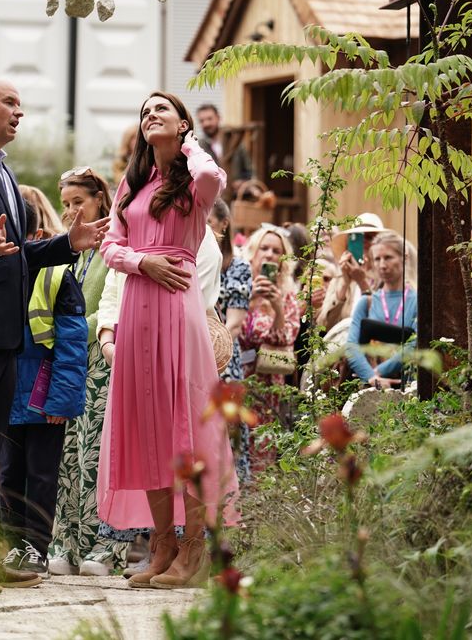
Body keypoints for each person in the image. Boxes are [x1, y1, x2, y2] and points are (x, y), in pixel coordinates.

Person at [0, 77, 108, 593]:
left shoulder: (2, 168)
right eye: (10, 103)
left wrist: (64, 243)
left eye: (20, 105)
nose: (19, 112)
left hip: (4, 335)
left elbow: (16, 254)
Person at [98, 90, 238, 590]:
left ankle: (195, 546)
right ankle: (163, 543)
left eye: (161, 109)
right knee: (147, 424)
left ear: (182, 124)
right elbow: (110, 246)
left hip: (178, 306)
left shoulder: (193, 182)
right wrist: (142, 261)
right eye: (144, 111)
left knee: (186, 425)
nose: (149, 115)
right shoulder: (131, 183)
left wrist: (188, 144)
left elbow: (211, 178)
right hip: (138, 300)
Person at [0, 200, 88, 580]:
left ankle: (36, 547)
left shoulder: (57, 277)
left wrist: (62, 400)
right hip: (6, 396)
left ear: (35, 236)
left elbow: (72, 345)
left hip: (43, 396)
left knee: (41, 475)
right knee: (7, 475)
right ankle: (14, 546)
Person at [48, 166, 125, 577]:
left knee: (99, 451)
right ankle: (67, 542)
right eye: (66, 205)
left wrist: (72, 330)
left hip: (101, 357)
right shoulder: (73, 248)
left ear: (100, 199)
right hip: (70, 361)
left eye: (79, 202)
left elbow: (112, 305)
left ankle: (106, 547)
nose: (72, 211)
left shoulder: (115, 242)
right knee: (69, 454)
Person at [239, 223, 301, 473]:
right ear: (253, 252)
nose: (269, 255)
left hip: (270, 381)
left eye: (276, 251)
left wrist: (276, 309)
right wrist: (251, 300)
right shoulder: (240, 286)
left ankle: (259, 504)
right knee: (237, 441)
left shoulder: (287, 294)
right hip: (240, 377)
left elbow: (288, 336)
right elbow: (234, 333)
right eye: (264, 248)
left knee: (264, 443)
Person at [207, 199, 252, 483]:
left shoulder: (238, 268)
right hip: (197, 349)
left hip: (224, 356)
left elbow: (235, 323)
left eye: (209, 222)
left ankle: (233, 489)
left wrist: (213, 348)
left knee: (228, 424)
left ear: (224, 224)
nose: (205, 228)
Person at [345, 231, 418, 389]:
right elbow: (351, 346)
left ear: (404, 258)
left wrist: (379, 371)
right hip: (371, 386)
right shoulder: (367, 302)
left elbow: (416, 344)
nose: (382, 265)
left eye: (388, 257)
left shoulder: (418, 301)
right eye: (377, 259)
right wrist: (371, 377)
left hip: (407, 384)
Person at [319, 213, 387, 334]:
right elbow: (324, 326)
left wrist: (362, 282)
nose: (364, 243)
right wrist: (345, 283)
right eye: (358, 237)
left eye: (370, 237)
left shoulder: (386, 280)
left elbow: (382, 320)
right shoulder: (338, 281)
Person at [196, 103, 253, 184]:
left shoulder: (235, 141)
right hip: (212, 194)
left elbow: (248, 170)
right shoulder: (199, 147)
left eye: (209, 119)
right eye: (202, 121)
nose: (206, 123)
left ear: (218, 118)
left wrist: (242, 182)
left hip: (235, 194)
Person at [112, 124, 139, 190]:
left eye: (138, 137)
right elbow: (119, 181)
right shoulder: (119, 161)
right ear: (127, 140)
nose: (137, 140)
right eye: (133, 138)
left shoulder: (148, 158)